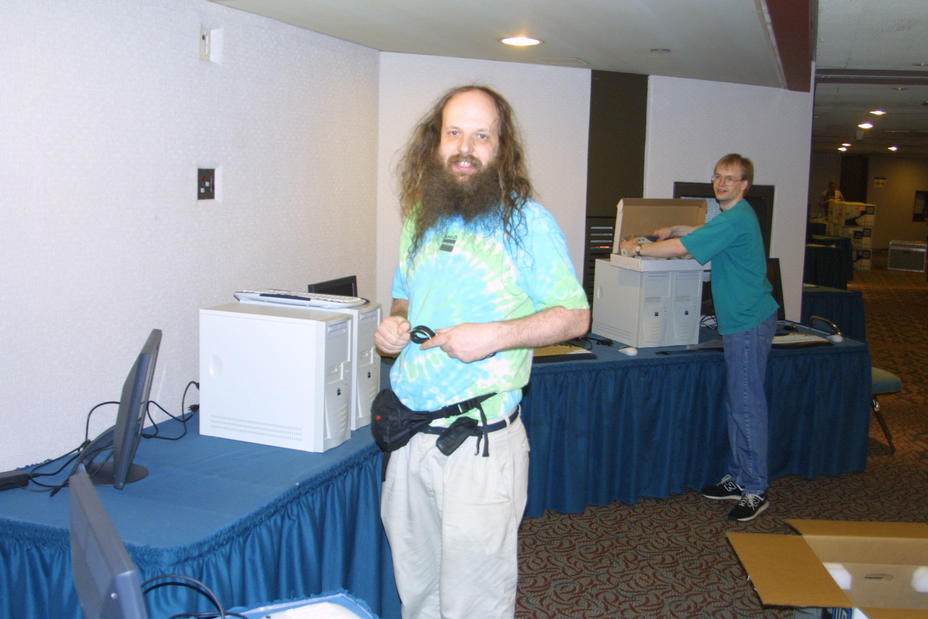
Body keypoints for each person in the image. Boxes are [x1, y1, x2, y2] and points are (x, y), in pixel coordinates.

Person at [375, 85, 590, 618]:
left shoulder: (527, 222)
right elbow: (404, 296)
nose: (465, 147)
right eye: (454, 133)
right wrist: (395, 325)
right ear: (436, 141)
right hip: (409, 439)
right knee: (416, 594)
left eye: (481, 136)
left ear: (501, 147)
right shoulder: (421, 217)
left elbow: (575, 316)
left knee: (474, 605)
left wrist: (493, 335)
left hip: (479, 446)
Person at [619, 153, 779, 523]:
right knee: (738, 402)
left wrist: (637, 248)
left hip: (748, 322)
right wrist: (676, 227)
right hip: (741, 321)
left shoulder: (736, 219)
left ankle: (755, 488)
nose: (721, 183)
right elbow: (696, 235)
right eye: (717, 176)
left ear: (744, 185)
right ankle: (739, 476)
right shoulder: (732, 217)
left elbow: (682, 250)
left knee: (746, 404)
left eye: (729, 178)